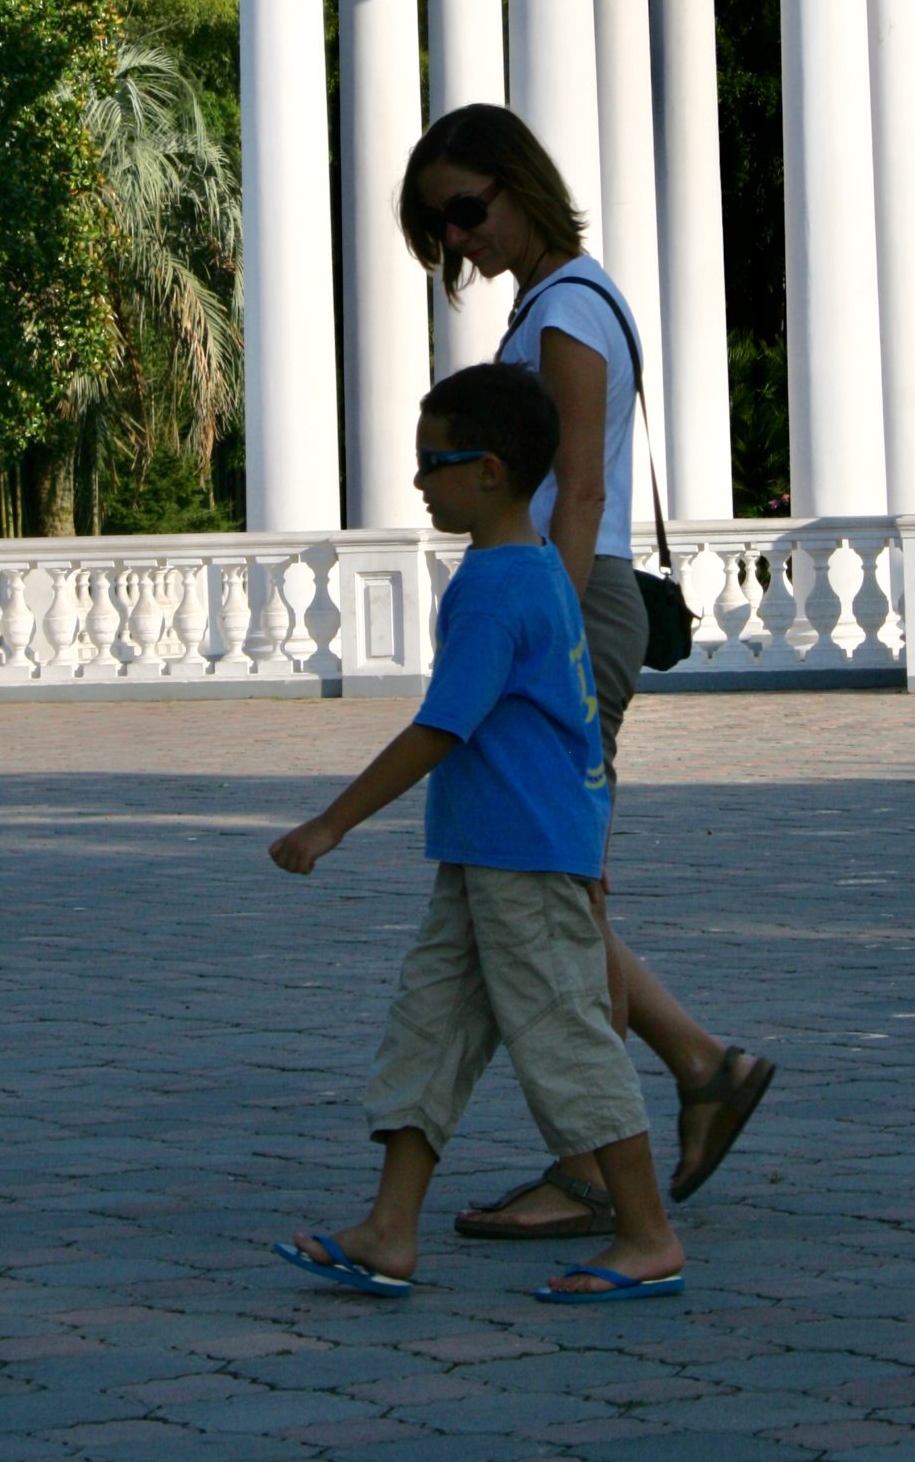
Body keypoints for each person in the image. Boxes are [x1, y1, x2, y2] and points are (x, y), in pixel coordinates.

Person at [400, 104, 774, 1237]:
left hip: (574, 599)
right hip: (574, 598)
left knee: (552, 891)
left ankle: (602, 1164)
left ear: (518, 184)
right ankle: (693, 1070)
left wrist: (544, 641)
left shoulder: (566, 308)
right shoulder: (563, 298)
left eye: (467, 210)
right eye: (439, 227)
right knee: (550, 883)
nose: (460, 239)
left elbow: (584, 488)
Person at [269, 363, 684, 1302]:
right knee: (430, 1030)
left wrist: (330, 823)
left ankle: (648, 1234)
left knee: (565, 1041)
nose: (418, 482)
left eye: (431, 463)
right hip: (486, 855)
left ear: (488, 471)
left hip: (523, 861)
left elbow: (438, 726)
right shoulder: (529, 573)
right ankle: (389, 1229)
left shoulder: (500, 589)